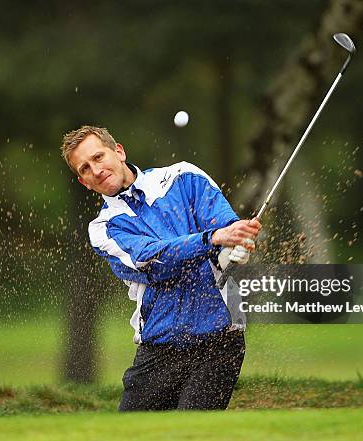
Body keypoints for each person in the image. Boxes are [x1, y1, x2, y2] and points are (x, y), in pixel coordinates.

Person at [60, 125, 261, 411]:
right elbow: (152, 261)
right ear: (84, 183)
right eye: (85, 168)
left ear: (118, 151)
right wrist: (211, 239)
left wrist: (235, 243)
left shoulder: (183, 177)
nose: (96, 169)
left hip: (219, 337)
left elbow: (224, 229)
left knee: (191, 431)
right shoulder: (104, 229)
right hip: (159, 347)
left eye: (99, 157)